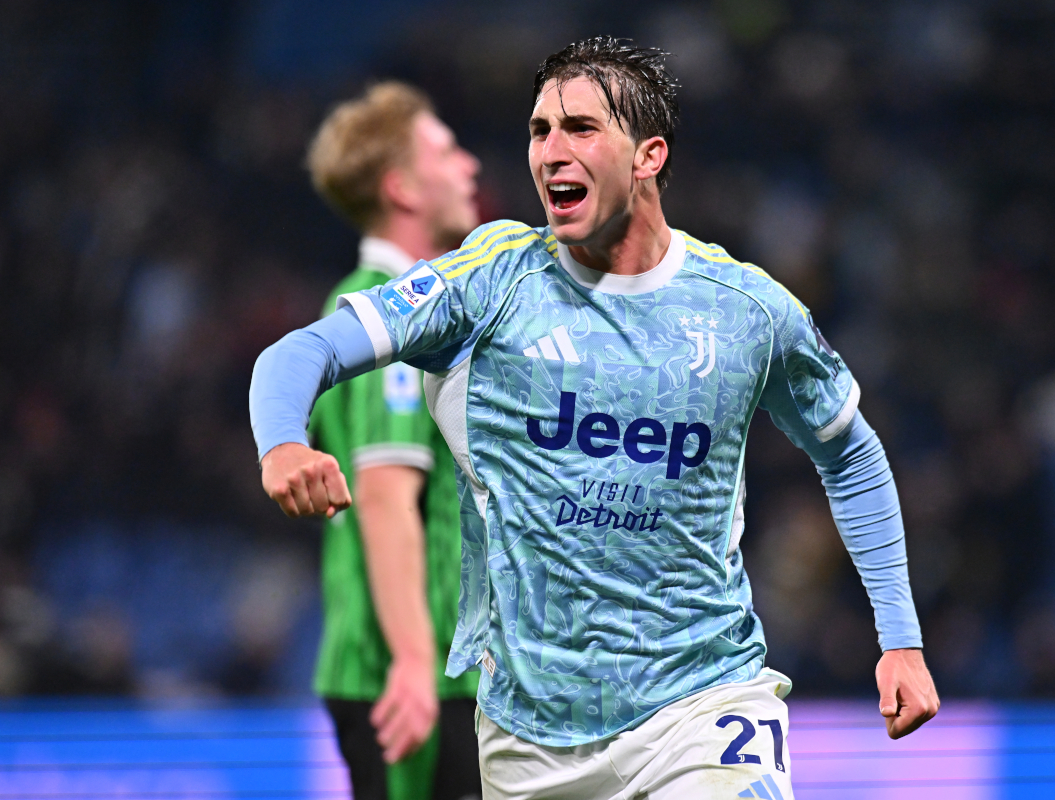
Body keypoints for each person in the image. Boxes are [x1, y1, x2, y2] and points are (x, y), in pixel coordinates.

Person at [251, 38, 939, 800]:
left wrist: (899, 637)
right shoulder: (486, 282)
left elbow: (850, 453)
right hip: (528, 736)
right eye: (539, 130)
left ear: (648, 156)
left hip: (702, 705)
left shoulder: (746, 311)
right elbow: (302, 352)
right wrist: (282, 440)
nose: (550, 151)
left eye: (580, 128)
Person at [302, 81, 483, 800]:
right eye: (445, 149)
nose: (468, 165)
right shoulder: (378, 318)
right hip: (405, 681)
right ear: (401, 186)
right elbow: (383, 495)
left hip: (439, 670)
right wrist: (414, 661)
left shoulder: (413, 311)